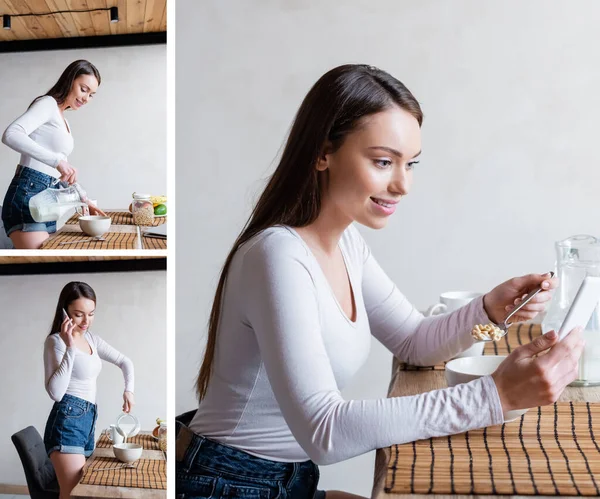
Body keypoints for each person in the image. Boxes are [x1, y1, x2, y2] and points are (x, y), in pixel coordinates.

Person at [175, 64, 585, 499]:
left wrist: (489, 311)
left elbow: (414, 340)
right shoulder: (277, 255)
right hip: (225, 484)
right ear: (322, 153)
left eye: (411, 164)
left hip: (283, 481)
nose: (402, 184)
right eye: (384, 161)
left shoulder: (345, 242)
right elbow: (325, 430)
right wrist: (494, 396)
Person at [1, 60, 106, 249]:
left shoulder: (63, 120)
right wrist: (57, 161)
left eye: (91, 95)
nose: (86, 98)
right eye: (83, 89)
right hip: (28, 195)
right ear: (70, 80)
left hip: (47, 202)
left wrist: (84, 200)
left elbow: (62, 171)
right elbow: (11, 134)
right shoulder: (47, 104)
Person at [43, 282, 134, 499]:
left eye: (91, 314)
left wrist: (129, 390)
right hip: (67, 421)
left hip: (88, 419)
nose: (86, 321)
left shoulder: (91, 339)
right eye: (78, 314)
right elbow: (55, 392)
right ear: (64, 312)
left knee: (82, 490)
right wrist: (70, 348)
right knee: (73, 493)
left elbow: (125, 361)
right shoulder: (55, 342)